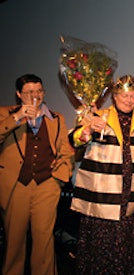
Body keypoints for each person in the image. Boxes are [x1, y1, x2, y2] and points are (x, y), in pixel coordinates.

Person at [69, 75, 134, 274]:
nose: (129, 100)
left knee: (124, 250)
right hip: (101, 199)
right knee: (99, 250)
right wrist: (88, 129)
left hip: (128, 199)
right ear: (114, 97)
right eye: (124, 96)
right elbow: (74, 139)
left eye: (133, 96)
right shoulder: (99, 117)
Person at [0, 74, 74, 275]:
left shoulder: (56, 118)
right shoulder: (5, 114)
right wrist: (16, 117)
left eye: (39, 91)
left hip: (46, 186)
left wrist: (58, 179)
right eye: (29, 92)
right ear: (18, 94)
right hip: (16, 187)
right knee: (14, 242)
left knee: (44, 241)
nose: (35, 95)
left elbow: (66, 152)